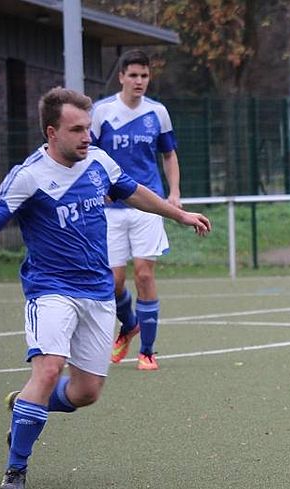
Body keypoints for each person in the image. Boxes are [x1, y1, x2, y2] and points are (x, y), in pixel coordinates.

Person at [0, 87, 211, 489]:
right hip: (51, 289)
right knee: (49, 369)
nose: (87, 136)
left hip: (97, 293)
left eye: (88, 128)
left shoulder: (98, 161)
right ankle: (16, 467)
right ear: (52, 132)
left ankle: (28, 405)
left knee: (86, 392)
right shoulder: (29, 175)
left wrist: (179, 214)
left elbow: (135, 192)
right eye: (77, 130)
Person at [91, 49, 181, 370]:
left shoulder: (158, 112)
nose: (139, 81)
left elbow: (169, 155)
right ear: (121, 77)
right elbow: (89, 155)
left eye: (144, 75)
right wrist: (99, 189)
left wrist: (174, 193)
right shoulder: (102, 112)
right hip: (112, 209)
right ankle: (129, 325)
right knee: (114, 283)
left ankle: (147, 351)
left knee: (144, 273)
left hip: (148, 204)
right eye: (133, 75)